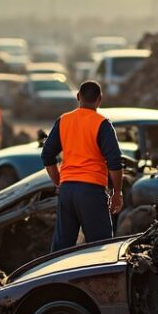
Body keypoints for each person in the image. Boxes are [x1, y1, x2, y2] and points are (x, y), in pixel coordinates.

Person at [41, 80, 126, 251]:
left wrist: (59, 181)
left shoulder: (64, 120)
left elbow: (47, 155)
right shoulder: (102, 124)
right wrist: (117, 193)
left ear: (78, 97)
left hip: (67, 192)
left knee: (60, 250)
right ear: (100, 99)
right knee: (100, 249)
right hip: (91, 192)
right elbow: (115, 162)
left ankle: (54, 276)